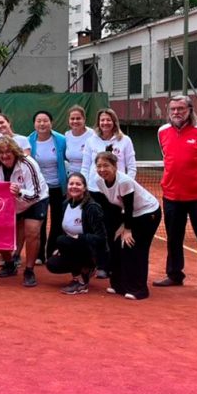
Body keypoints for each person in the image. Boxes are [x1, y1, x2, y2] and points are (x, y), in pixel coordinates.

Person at [154, 95, 197, 297]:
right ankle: (174, 274)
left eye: (181, 109)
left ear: (190, 110)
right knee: (173, 239)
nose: (176, 112)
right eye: (173, 109)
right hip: (172, 196)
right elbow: (168, 158)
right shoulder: (162, 131)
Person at [94, 151, 161, 300]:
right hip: (130, 215)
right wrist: (120, 226)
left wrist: (127, 229)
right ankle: (119, 285)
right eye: (99, 166)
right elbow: (114, 206)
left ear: (115, 166)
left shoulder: (124, 182)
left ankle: (139, 290)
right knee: (116, 245)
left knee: (135, 248)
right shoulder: (99, 181)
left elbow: (129, 206)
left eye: (106, 165)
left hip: (148, 213)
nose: (102, 169)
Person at [81, 107, 136, 280]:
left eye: (108, 120)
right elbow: (85, 166)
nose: (105, 123)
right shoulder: (91, 141)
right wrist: (84, 187)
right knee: (97, 229)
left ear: (114, 122)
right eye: (102, 120)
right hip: (94, 191)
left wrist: (126, 187)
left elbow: (131, 166)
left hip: (115, 193)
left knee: (113, 229)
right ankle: (100, 265)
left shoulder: (125, 140)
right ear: (98, 123)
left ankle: (114, 265)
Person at [0, 137, 48, 288]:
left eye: (8, 152)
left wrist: (19, 192)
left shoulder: (28, 163)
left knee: (32, 231)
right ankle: (9, 264)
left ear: (15, 151)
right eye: (1, 152)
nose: (5, 155)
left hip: (35, 200)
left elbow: (36, 193)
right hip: (9, 202)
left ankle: (29, 270)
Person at [44, 173, 107, 295]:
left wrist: (80, 238)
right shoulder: (65, 204)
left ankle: (82, 281)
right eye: (71, 184)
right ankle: (84, 270)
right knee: (52, 264)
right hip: (73, 247)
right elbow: (65, 229)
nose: (74, 186)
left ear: (84, 188)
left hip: (92, 250)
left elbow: (101, 238)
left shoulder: (92, 207)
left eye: (78, 184)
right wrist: (62, 248)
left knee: (62, 240)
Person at [28, 110, 68, 263]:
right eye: (38, 121)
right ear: (34, 124)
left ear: (51, 123)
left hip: (58, 187)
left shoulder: (61, 140)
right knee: (40, 221)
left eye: (45, 121)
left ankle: (51, 253)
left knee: (58, 221)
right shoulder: (29, 140)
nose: (42, 124)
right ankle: (38, 255)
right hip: (39, 188)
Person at [64, 105, 94, 176]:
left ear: (84, 119)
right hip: (71, 176)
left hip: (89, 176)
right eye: (72, 119)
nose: (75, 121)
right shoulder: (67, 135)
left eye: (78, 118)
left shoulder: (92, 134)